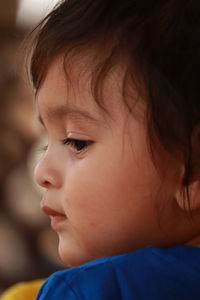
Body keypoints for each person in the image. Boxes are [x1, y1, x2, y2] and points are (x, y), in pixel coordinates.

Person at [29, 0, 200, 298]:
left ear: (193, 168)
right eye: (47, 143)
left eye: (76, 141)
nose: (41, 172)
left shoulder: (92, 290)